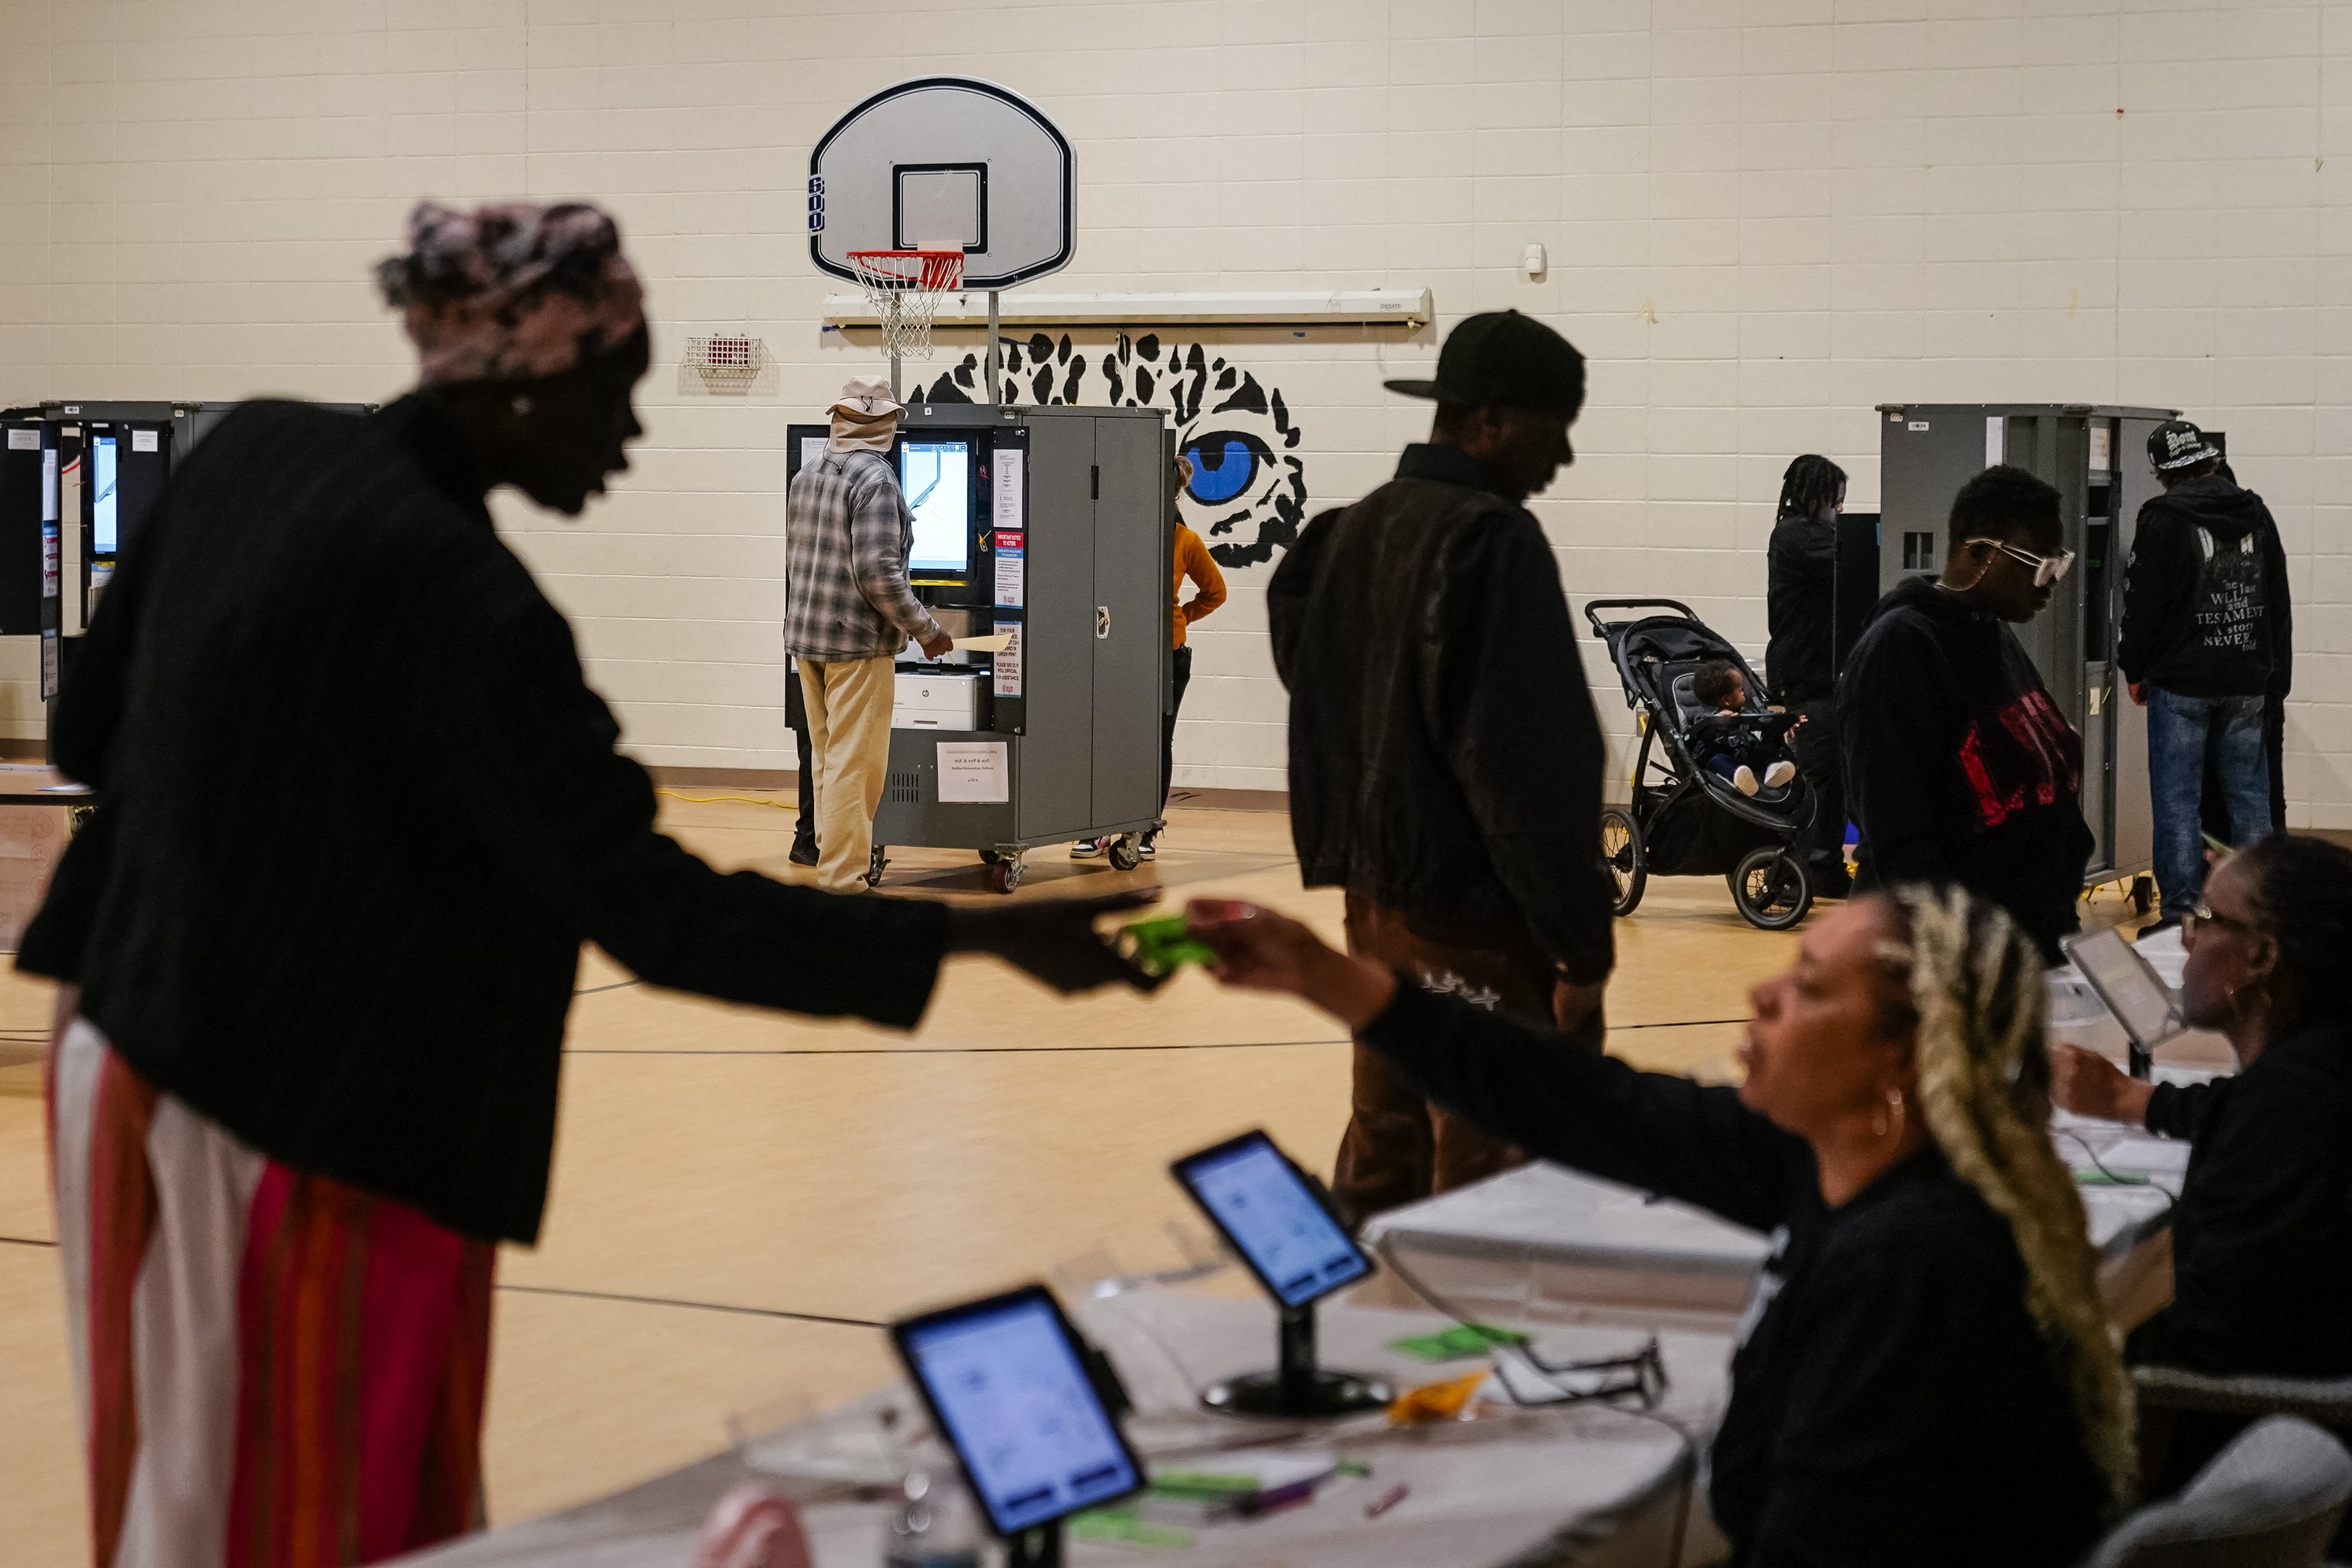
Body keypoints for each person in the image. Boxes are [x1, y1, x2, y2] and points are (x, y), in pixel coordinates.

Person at [22, 200, 1156, 1568]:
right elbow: (660, 915)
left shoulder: (254, 446)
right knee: (312, 1519)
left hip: (119, 1048)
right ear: (523, 376)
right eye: (614, 396)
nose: (626, 438)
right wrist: (982, 947)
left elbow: (88, 733)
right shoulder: (470, 605)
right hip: (301, 1108)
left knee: (173, 1483)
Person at [1187, 883, 2132, 1566]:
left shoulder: (1911, 1267)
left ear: (1901, 1060)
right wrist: (1321, 975)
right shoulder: (1834, 1168)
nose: (1765, 995)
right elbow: (1579, 1101)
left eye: (1810, 986)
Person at [1267, 309, 1615, 1228]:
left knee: (1385, 1135)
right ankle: (1479, 1362)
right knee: (1493, 1162)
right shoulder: (1492, 541)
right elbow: (1528, 772)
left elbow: (1316, 689)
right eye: (1556, 428)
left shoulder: (1346, 534)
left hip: (1376, 908)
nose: (1564, 457)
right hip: (1478, 919)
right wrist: (1581, 945)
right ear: (1490, 422)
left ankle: (1358, 1343)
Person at [2052, 834, 2352, 1387]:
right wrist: (2131, 1099)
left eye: (2207, 919)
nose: (2186, 941)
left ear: (2262, 955)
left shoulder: (2291, 1112)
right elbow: (2237, 1109)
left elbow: (2212, 1348)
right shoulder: (2314, 1069)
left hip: (2251, 1426)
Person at [1837, 465, 2094, 960]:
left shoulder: (1991, 632)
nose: (2051, 584)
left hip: (2029, 941)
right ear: (1979, 554)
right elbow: (1903, 841)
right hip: (1949, 960)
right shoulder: (1902, 650)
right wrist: (1971, 960)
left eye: (2059, 566)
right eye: (2039, 567)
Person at [2117, 420, 2293, 934]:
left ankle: (2180, 917)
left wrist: (2134, 667)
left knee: (2177, 804)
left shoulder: (2163, 519)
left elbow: (2143, 605)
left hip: (2182, 683)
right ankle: (2261, 912)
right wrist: (2274, 676)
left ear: (2160, 472)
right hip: (2247, 678)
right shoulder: (2255, 511)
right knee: (2250, 802)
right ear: (2209, 458)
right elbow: (2277, 601)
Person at [784, 378, 953, 892]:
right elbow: (879, 573)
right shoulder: (876, 481)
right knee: (855, 770)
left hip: (806, 638)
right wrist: (926, 629)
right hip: (856, 644)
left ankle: (828, 866)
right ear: (886, 426)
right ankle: (844, 883)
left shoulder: (808, 473)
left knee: (828, 761)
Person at [1073, 454, 1225, 862]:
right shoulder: (1115, 534)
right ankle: (1098, 826)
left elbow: (1216, 593)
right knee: (1106, 737)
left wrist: (1177, 622)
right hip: (1116, 650)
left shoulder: (1184, 541)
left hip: (1166, 657)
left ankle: (1145, 828)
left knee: (1158, 742)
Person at [1765, 454, 1853, 894]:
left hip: (1816, 674)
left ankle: (1823, 866)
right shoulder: (1800, 536)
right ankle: (1794, 872)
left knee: (1833, 777)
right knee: (1820, 776)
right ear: (1816, 496)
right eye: (1835, 502)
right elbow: (1849, 557)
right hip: (1807, 675)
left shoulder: (1802, 535)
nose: (1839, 511)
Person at [1691, 659, 1800, 796]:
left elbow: (1766, 717)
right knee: (1716, 760)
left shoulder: (1746, 712)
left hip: (1748, 754)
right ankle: (1738, 776)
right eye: (1740, 690)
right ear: (1726, 700)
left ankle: (1774, 770)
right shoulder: (1704, 719)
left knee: (1769, 749)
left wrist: (1785, 722)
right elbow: (1697, 738)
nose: (1744, 693)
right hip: (1726, 755)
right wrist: (1719, 719)